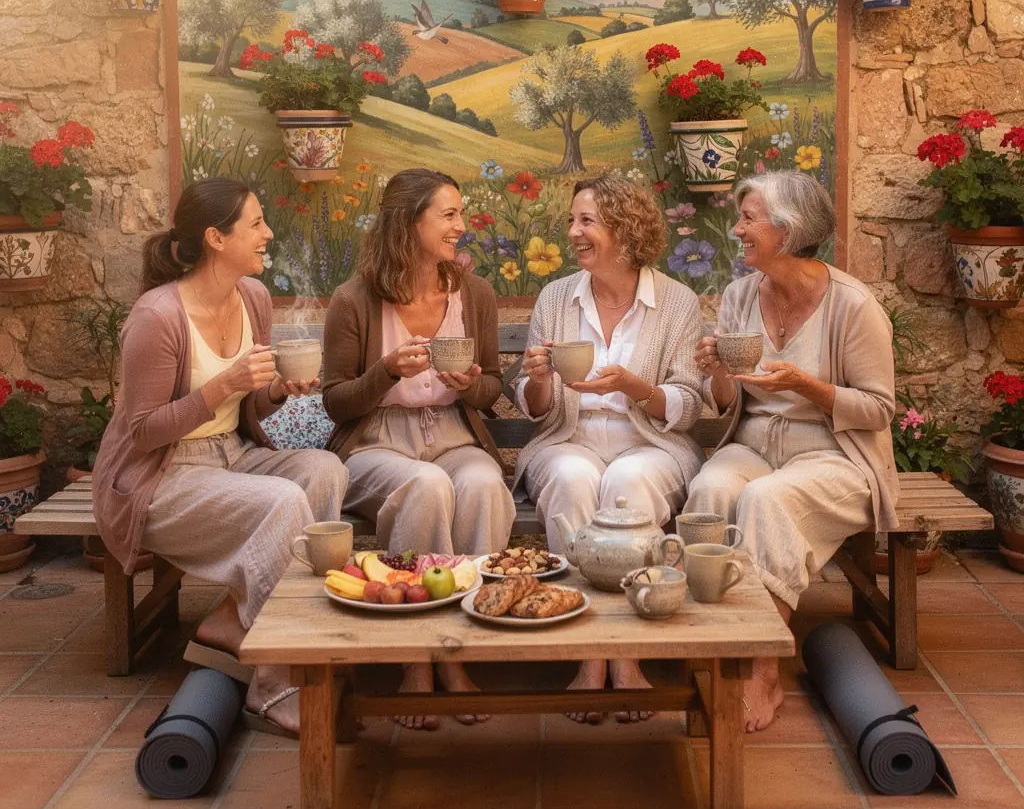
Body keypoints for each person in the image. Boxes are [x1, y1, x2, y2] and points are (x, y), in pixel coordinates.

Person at [93, 178, 349, 737]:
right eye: (256, 223)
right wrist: (222, 384)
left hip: (231, 452)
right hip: (159, 477)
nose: (268, 233)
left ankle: (240, 618)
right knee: (283, 502)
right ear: (215, 237)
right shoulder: (157, 317)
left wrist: (277, 391)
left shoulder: (252, 298)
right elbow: (141, 433)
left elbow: (246, 404)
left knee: (323, 469)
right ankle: (274, 684)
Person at [686, 171, 898, 732]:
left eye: (749, 219)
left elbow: (878, 409)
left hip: (834, 454)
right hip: (754, 442)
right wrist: (717, 371)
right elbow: (725, 398)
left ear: (788, 229)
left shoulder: (853, 306)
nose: (737, 230)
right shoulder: (738, 296)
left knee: (767, 500)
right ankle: (710, 642)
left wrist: (808, 386)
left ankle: (762, 666)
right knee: (709, 489)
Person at [322, 167, 515, 730]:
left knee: (481, 484)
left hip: (454, 434)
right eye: (448, 215)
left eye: (460, 213)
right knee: (426, 487)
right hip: (376, 442)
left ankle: (465, 647)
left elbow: (493, 388)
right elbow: (337, 403)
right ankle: (415, 658)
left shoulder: (473, 293)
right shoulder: (354, 300)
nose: (461, 225)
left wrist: (469, 385)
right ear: (410, 222)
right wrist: (384, 372)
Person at [514, 174, 704, 724]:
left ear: (625, 229)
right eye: (572, 220)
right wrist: (538, 378)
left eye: (587, 221)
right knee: (573, 479)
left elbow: (690, 403)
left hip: (651, 442)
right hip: (566, 437)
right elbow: (534, 408)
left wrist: (635, 387)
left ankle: (626, 653)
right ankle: (586, 651)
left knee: (627, 484)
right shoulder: (557, 297)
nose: (574, 231)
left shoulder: (676, 302)